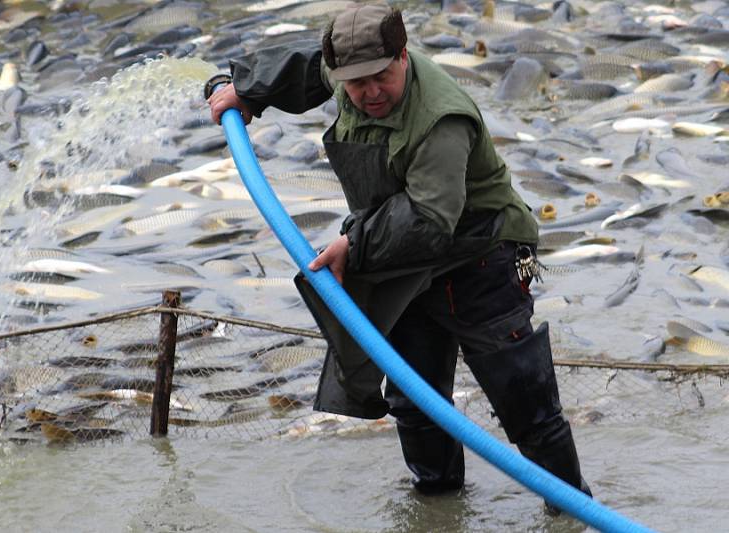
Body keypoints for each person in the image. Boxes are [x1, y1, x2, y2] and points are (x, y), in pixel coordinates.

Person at [207, 2, 591, 513]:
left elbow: (432, 218)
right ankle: (438, 506)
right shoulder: (347, 70)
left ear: (402, 56)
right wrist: (246, 88)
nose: (368, 94)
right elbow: (307, 65)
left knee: (526, 406)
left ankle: (571, 512)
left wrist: (354, 242)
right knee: (415, 400)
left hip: (482, 256)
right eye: (354, 84)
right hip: (406, 259)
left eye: (380, 78)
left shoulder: (441, 118)